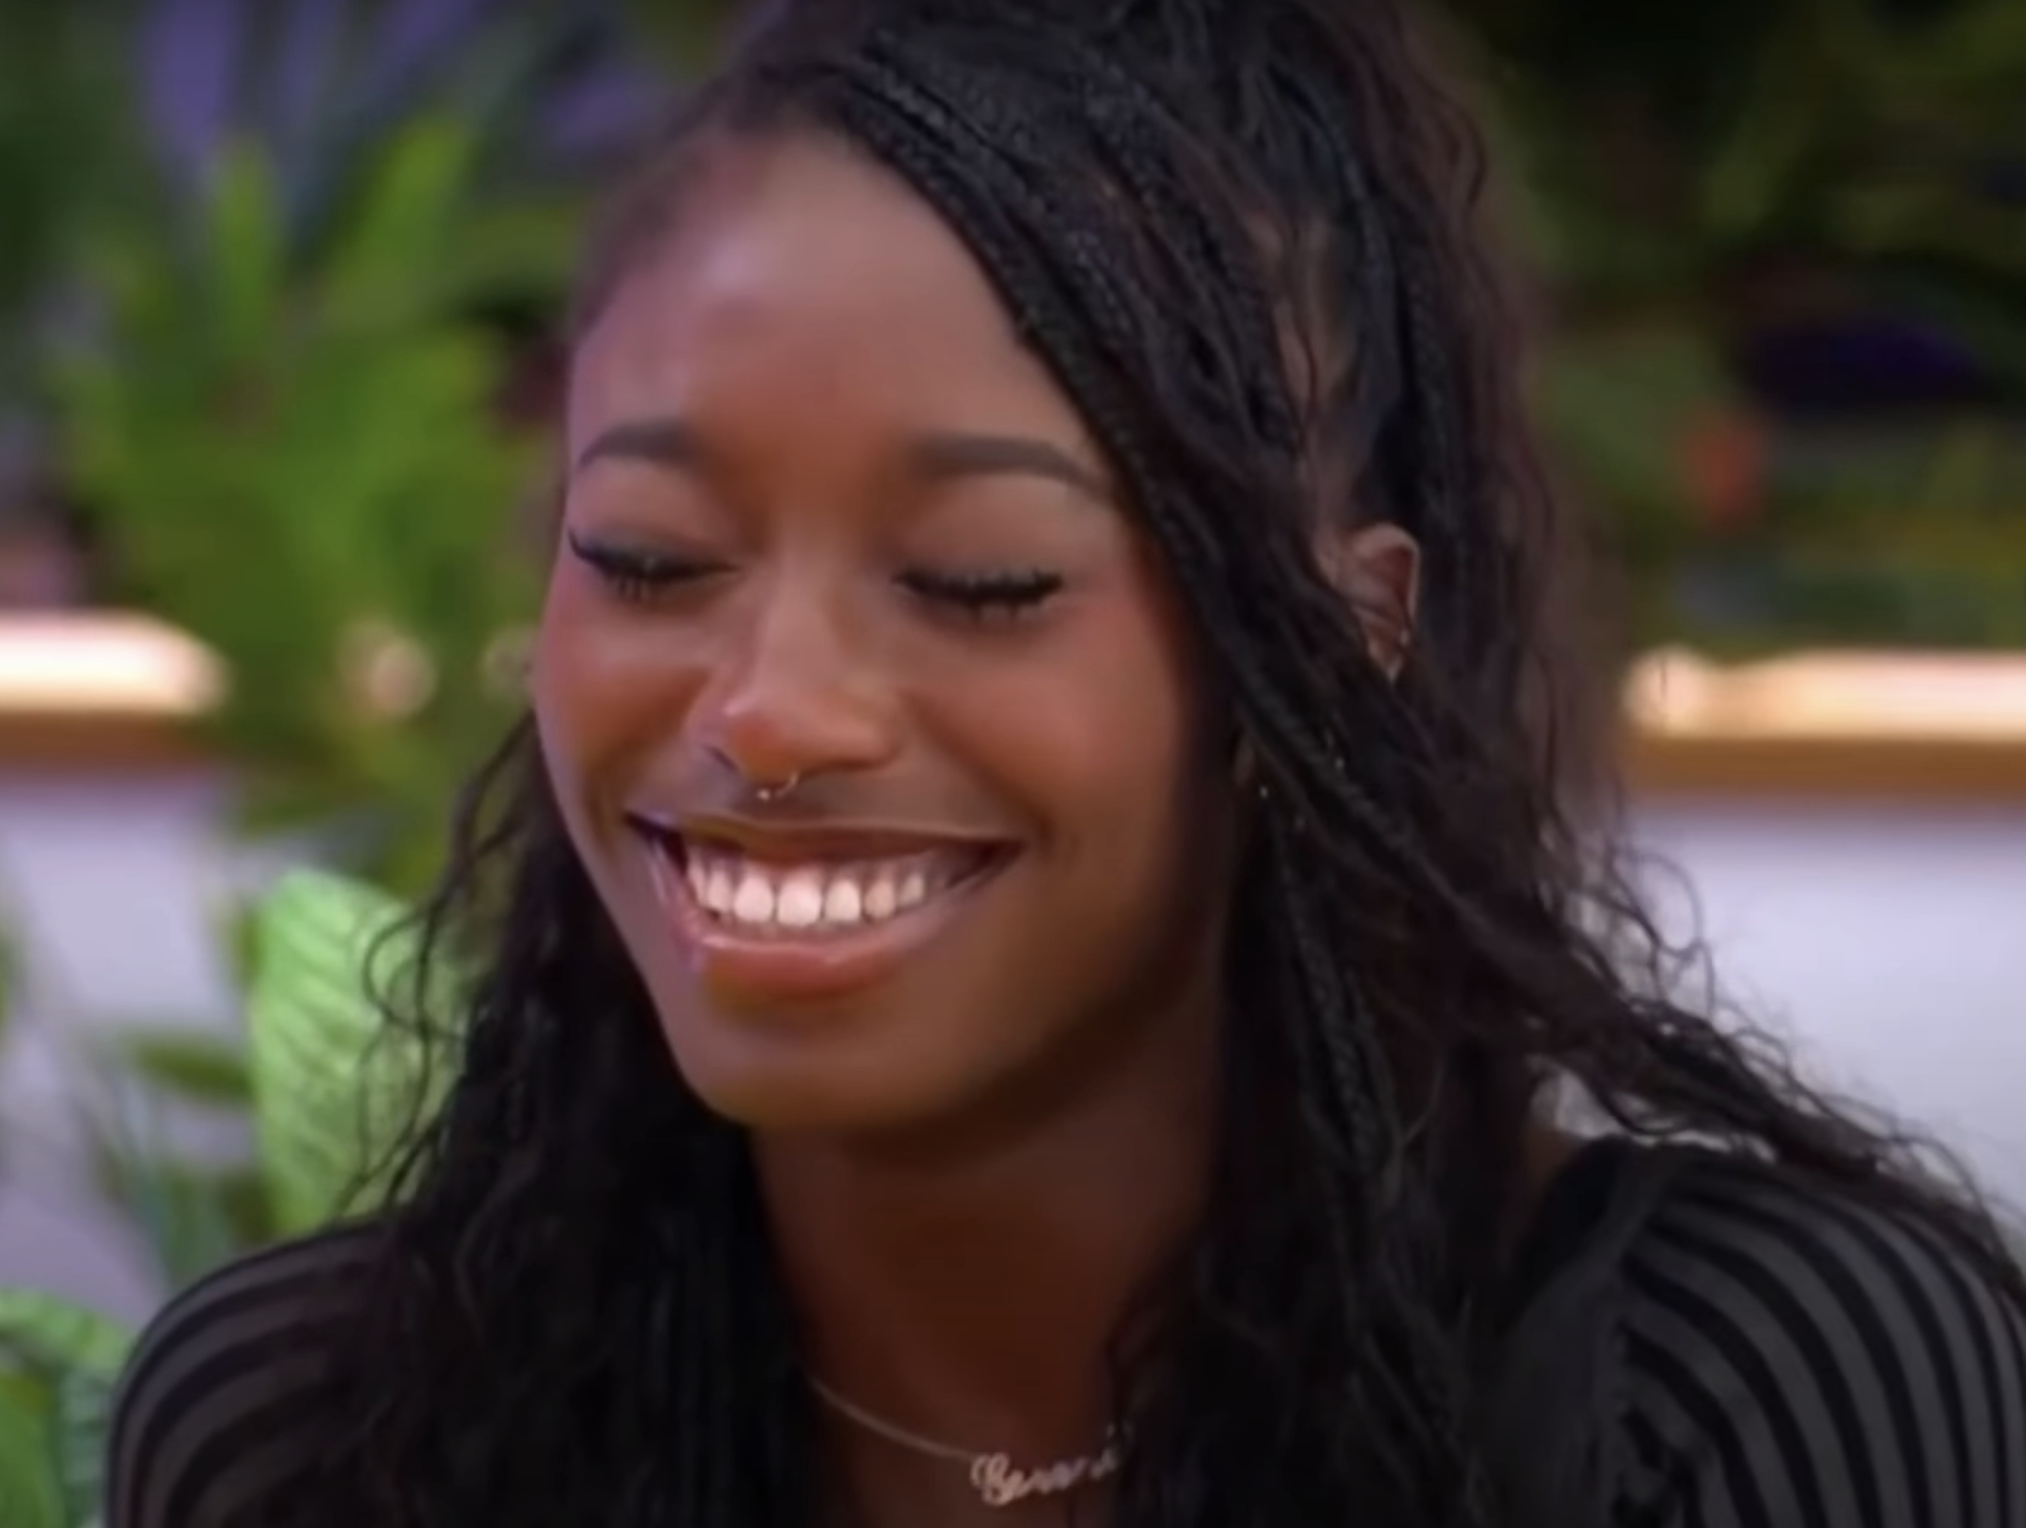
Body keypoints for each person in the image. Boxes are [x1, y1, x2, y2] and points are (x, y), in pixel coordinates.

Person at [104, 2, 2026, 1525]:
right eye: (652, 561)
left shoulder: (1728, 1397)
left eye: (978, 580)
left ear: (1336, 639)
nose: (770, 709)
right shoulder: (315, 1443)